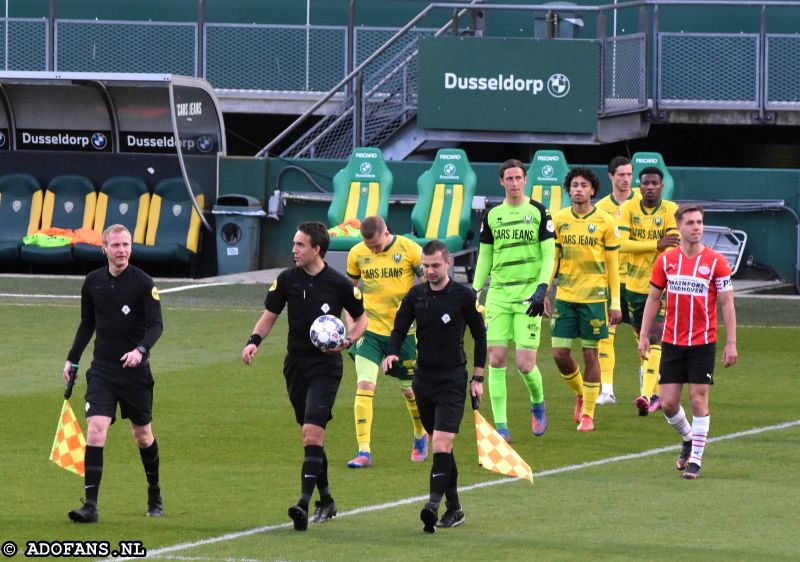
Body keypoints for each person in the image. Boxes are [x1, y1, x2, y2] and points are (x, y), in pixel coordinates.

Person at [242, 221, 367, 531]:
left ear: (317, 249)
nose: (293, 250)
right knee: (310, 437)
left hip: (326, 368)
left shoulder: (340, 285)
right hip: (295, 366)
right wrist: (253, 342)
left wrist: (348, 341)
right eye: (294, 244)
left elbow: (361, 320)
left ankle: (302, 503)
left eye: (300, 245)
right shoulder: (286, 280)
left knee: (312, 432)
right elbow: (269, 315)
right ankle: (326, 499)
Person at [382, 240, 486, 533]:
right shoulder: (415, 295)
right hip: (423, 380)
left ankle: (432, 505)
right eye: (425, 266)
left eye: (434, 266)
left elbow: (480, 336)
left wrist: (478, 378)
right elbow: (399, 328)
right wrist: (391, 352)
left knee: (441, 443)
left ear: (448, 263)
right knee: (443, 448)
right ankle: (455, 508)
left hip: (452, 379)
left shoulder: (464, 297)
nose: (428, 271)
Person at [64, 224, 164, 523]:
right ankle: (90, 506)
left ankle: (154, 491)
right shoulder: (92, 282)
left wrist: (140, 351)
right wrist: (72, 360)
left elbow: (157, 325)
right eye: (116, 245)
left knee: (142, 435)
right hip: (103, 371)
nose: (122, 250)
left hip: (135, 374)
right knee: (95, 430)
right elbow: (87, 323)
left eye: (126, 245)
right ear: (103, 248)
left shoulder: (144, 283)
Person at [638, 204, 737, 479]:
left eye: (700, 222)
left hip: (703, 343)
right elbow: (654, 299)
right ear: (679, 227)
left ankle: (696, 460)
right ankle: (689, 438)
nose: (697, 227)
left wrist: (732, 342)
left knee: (697, 398)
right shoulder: (665, 261)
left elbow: (727, 303)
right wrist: (644, 335)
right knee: (668, 403)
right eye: (691, 223)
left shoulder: (716, 261)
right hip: (671, 342)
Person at [471, 159, 555, 442]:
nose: (515, 183)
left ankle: (537, 401)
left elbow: (549, 255)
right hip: (499, 296)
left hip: (528, 297)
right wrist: (475, 289)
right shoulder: (493, 215)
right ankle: (502, 427)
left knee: (525, 364)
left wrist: (542, 288)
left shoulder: (540, 212)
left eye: (519, 178)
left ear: (525, 179)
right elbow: (485, 255)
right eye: (510, 178)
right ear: (502, 181)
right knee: (496, 359)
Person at [344, 216, 428, 468]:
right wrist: (352, 326)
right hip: (369, 331)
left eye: (376, 246)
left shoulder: (409, 249)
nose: (372, 250)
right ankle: (363, 451)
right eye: (368, 246)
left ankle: (419, 433)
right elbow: (350, 293)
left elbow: (429, 287)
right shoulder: (357, 253)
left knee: (410, 391)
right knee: (365, 385)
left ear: (386, 233)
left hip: (404, 334)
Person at [548, 167, 621, 432]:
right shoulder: (558, 220)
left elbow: (613, 265)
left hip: (594, 299)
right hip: (565, 297)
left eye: (583, 185)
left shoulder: (605, 221)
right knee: (559, 354)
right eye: (574, 185)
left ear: (592, 190)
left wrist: (615, 303)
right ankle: (581, 392)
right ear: (569, 190)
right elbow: (552, 259)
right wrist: (544, 290)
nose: (578, 189)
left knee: (590, 354)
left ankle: (588, 414)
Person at [618, 166, 679, 416]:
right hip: (633, 285)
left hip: (661, 286)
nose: (650, 187)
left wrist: (649, 247)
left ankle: (647, 395)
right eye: (645, 183)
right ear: (639, 185)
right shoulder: (629, 208)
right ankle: (655, 389)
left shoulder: (671, 210)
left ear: (661, 186)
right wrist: (655, 243)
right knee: (642, 341)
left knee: (655, 337)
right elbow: (621, 244)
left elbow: (672, 246)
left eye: (654, 183)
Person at [594, 156, 639, 405]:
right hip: (609, 281)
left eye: (629, 174)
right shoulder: (600, 209)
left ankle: (648, 388)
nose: (625, 179)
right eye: (621, 174)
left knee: (642, 335)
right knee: (606, 335)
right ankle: (607, 390)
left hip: (637, 281)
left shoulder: (643, 204)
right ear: (610, 176)